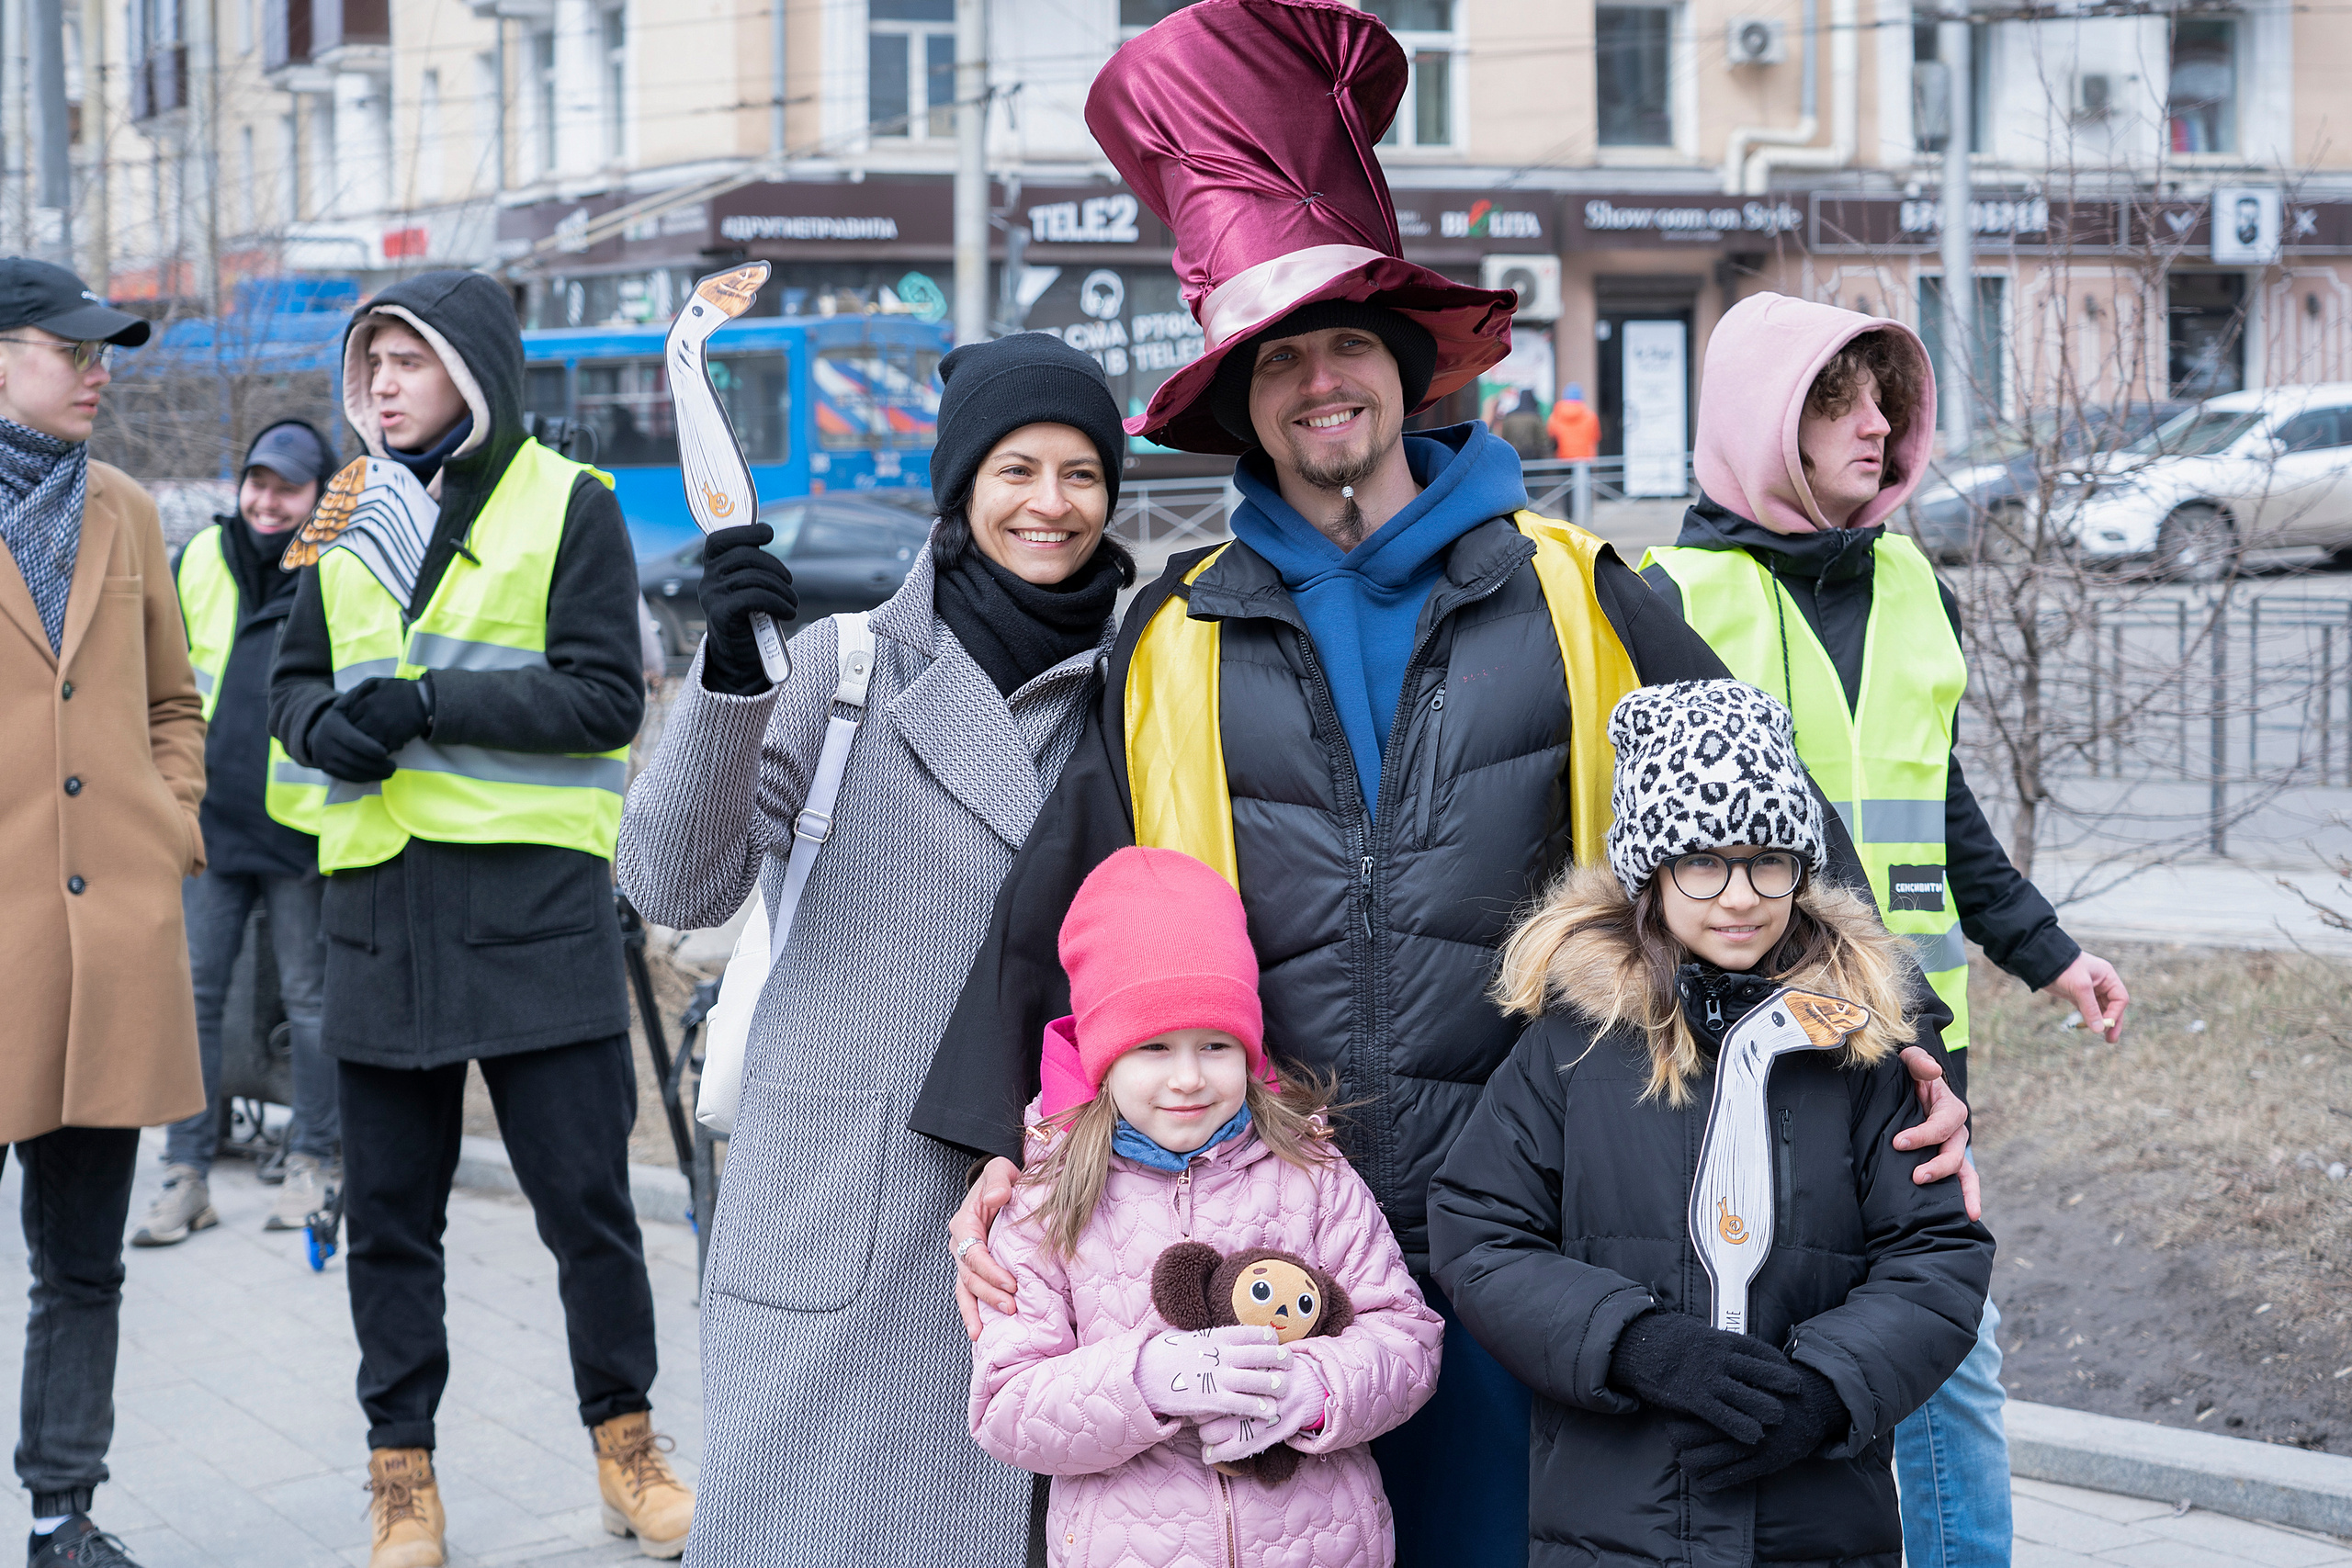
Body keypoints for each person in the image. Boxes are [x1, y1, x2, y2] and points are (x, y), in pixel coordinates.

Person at [915, 5, 1975, 1562]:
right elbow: (1064, 904)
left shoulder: (1576, 590)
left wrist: (1907, 1042)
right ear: (1243, 401)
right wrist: (994, 1150)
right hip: (1274, 1220)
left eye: (1348, 343)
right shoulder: (1176, 629)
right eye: (1279, 360)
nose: (1319, 383)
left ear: (1409, 372)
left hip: (1535, 1212)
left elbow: (1770, 825)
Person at [616, 332, 1136, 1566]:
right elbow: (671, 878)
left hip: (1064, 1196)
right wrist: (730, 683)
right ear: (961, 488)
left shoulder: (1142, 679)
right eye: (1016, 469)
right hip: (848, 1194)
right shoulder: (845, 667)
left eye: (1080, 472)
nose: (1049, 504)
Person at [1638, 292, 2131, 1568]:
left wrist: (2049, 949)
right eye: (1835, 401)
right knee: (1763, 1343)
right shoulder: (1671, 595)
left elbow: (1945, 806)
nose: (1877, 427)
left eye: (1885, 402)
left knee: (1951, 1346)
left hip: (1920, 1040)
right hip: (1754, 1046)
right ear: (1763, 421)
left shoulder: (1916, 581)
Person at [268, 271, 689, 1568]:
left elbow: (607, 698)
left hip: (534, 912)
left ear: (475, 370)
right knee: (393, 1215)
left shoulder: (571, 502)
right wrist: (324, 722)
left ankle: (629, 1450)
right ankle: (403, 1480)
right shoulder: (345, 505)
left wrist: (429, 708)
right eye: (370, 361)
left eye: (408, 358)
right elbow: (287, 689)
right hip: (382, 913)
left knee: (587, 1207)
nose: (382, 382)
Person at [1426, 680, 1993, 1568]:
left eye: (1770, 858)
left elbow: (1937, 1254)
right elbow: (1480, 1231)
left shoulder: (1860, 1046)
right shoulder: (1576, 1045)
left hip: (1817, 1522)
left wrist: (1828, 1388)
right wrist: (1630, 1342)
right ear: (1652, 869)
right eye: (1703, 860)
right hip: (1616, 1521)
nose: (1740, 895)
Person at [970, 846, 1442, 1566]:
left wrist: (1311, 1391)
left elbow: (1407, 1336)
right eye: (1154, 1046)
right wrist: (1147, 1378)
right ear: (1102, 1055)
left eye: (1216, 1044)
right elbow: (1006, 1405)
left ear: (1249, 1050)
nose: (1188, 1077)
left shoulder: (1308, 1170)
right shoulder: (1049, 1198)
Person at [0, 257, 201, 1568]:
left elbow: (175, 705)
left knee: (85, 1260)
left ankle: (62, 1508)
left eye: (104, 348)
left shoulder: (127, 508)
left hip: (108, 948)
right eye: (69, 348)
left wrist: (166, 826)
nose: (97, 367)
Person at [135, 420, 341, 1248]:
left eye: (287, 487)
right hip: (206, 827)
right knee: (192, 1002)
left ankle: (314, 1161)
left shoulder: (337, 569)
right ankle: (187, 1173)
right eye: (257, 482)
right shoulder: (199, 562)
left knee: (312, 1004)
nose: (266, 500)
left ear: (318, 496)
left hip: (300, 831)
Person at [1547, 382, 1600, 462]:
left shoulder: (1556, 415)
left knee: (1565, 475)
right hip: (1585, 458)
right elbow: (1596, 436)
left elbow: (1551, 434)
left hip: (1563, 457)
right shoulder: (1590, 416)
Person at [1496, 389, 1550, 461]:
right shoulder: (1535, 417)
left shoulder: (1509, 417)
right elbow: (1543, 440)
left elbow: (1504, 438)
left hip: (1513, 456)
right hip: (1532, 457)